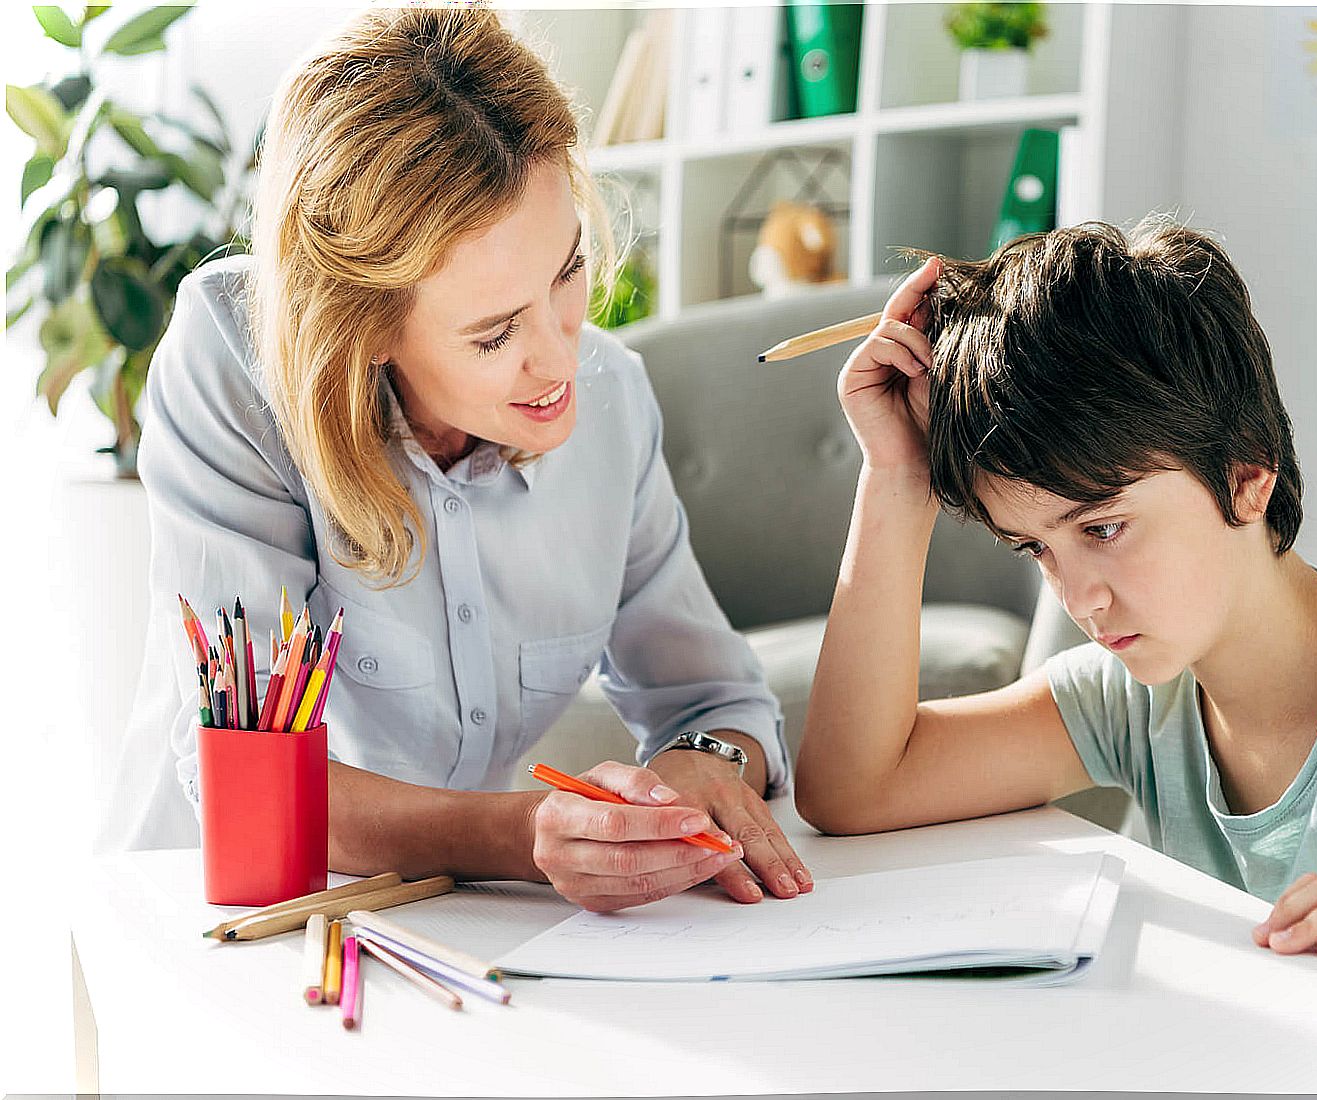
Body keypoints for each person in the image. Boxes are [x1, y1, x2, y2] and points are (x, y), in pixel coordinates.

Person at [121, 7, 813, 913]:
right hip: (221, 921)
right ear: (362, 330)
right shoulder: (236, 360)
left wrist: (704, 764)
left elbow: (716, 697)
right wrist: (521, 834)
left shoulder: (611, 395)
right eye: (494, 334)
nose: (564, 362)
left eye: (566, 273)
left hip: (462, 932)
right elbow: (245, 778)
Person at [794, 219, 1317, 1008]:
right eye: (1036, 548)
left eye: (1103, 528)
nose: (1078, 599)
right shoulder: (1143, 695)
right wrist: (896, 476)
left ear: (1247, 478)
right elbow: (855, 789)